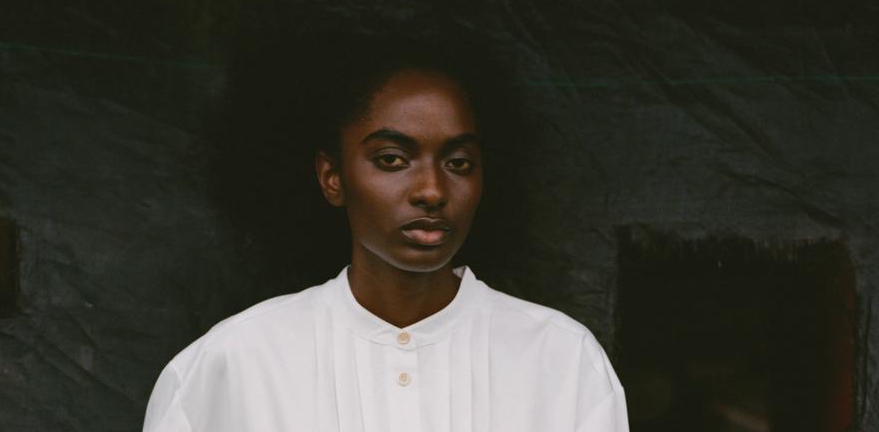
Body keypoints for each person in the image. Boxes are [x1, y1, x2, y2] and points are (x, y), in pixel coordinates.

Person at [142, 33, 629, 431]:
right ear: (333, 177)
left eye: (459, 163)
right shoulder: (233, 363)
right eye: (392, 160)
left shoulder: (561, 360)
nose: (432, 190)